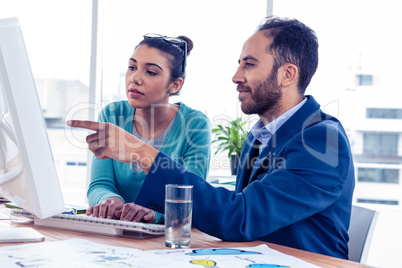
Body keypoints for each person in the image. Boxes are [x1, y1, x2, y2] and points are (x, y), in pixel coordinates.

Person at [68, 17, 355, 259]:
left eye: (249, 65)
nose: (235, 76)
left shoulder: (322, 141)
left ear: (287, 74)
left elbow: (240, 217)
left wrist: (143, 153)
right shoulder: (262, 135)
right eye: (240, 64)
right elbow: (242, 206)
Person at [84, 34, 211, 224]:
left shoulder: (195, 124)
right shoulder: (112, 115)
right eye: (132, 67)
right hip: (116, 231)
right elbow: (99, 184)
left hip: (164, 237)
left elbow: (191, 197)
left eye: (151, 72)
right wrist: (109, 200)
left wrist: (153, 213)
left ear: (174, 85)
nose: (135, 78)